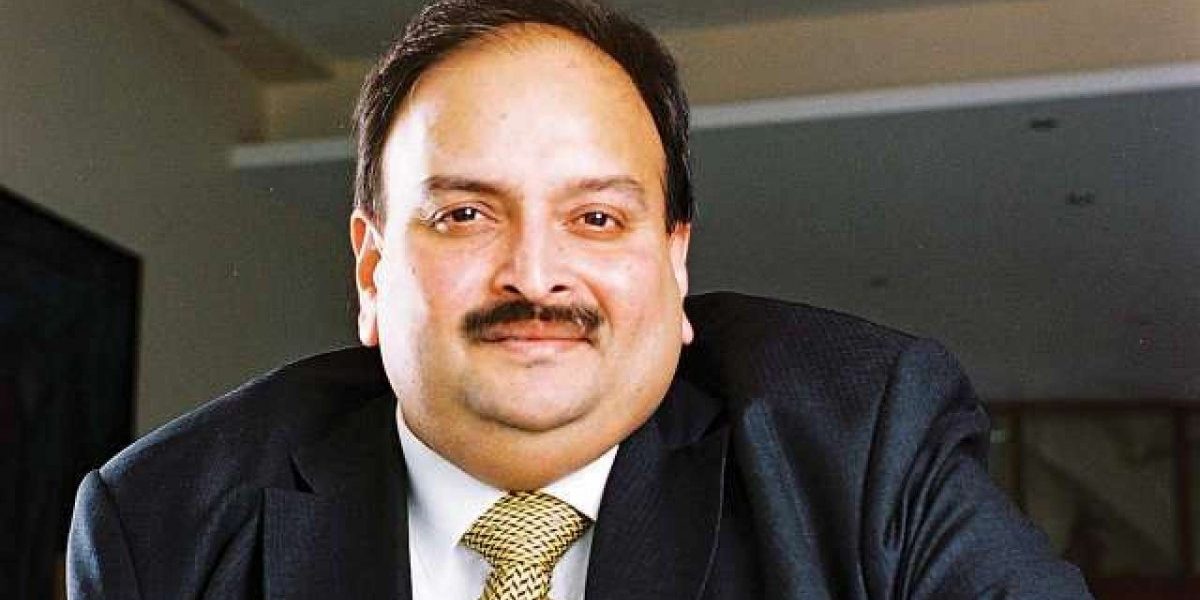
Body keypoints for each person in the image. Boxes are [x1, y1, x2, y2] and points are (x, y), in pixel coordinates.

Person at [67, 0, 1094, 598]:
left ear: (675, 267)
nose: (534, 274)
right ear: (372, 272)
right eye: (466, 214)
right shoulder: (161, 525)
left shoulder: (862, 445)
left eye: (596, 218)